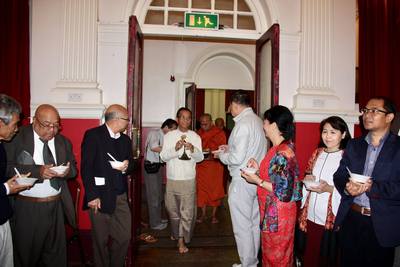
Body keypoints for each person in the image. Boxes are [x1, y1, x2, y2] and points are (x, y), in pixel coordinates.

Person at [4, 104, 78, 267]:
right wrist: (38, 171)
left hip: (56, 205)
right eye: (47, 125)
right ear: (34, 121)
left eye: (56, 125)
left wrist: (66, 171)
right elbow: (6, 167)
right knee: (26, 256)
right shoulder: (17, 136)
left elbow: (73, 169)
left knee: (56, 257)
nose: (52, 130)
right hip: (27, 208)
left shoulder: (63, 141)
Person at [333, 97, 400, 267]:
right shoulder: (355, 145)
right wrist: (347, 187)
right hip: (351, 218)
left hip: (382, 224)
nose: (367, 115)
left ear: (390, 117)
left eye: (375, 111)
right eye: (365, 110)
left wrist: (373, 187)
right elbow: (339, 175)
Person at [241, 105, 302, 267]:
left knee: (277, 256)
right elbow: (275, 178)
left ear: (274, 125)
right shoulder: (276, 148)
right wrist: (257, 169)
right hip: (271, 210)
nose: (263, 126)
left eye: (265, 123)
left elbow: (283, 191)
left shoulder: (283, 153)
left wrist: (257, 180)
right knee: (270, 254)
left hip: (279, 213)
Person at [213, 90, 267, 267]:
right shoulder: (258, 121)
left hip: (242, 180)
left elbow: (236, 158)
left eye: (230, 106)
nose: (229, 110)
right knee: (252, 223)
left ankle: (248, 264)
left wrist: (221, 155)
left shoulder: (243, 124)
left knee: (242, 226)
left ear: (235, 104)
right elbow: (248, 149)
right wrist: (229, 147)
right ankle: (252, 261)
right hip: (256, 179)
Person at [81, 104, 136, 267]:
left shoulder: (126, 140)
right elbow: (86, 168)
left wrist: (127, 166)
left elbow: (132, 163)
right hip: (100, 196)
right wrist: (92, 195)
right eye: (127, 119)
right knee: (101, 241)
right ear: (117, 119)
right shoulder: (93, 135)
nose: (128, 123)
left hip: (120, 196)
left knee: (124, 237)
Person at [297, 116, 351, 267]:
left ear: (344, 134)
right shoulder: (317, 153)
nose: (327, 136)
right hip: (310, 214)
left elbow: (349, 190)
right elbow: (308, 173)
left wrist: (328, 188)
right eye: (325, 132)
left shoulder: (347, 157)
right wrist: (308, 177)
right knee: (310, 255)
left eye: (333, 132)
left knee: (327, 258)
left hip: (329, 218)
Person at [160, 107, 203, 254]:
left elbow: (201, 158)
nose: (186, 120)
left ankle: (181, 239)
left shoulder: (195, 137)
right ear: (178, 119)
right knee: (172, 210)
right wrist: (175, 149)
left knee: (187, 212)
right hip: (172, 179)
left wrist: (193, 150)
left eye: (189, 118)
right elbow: (163, 157)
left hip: (188, 179)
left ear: (191, 120)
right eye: (183, 117)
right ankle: (176, 232)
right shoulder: (169, 136)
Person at [0, 94, 30, 267]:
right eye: (14, 124)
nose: (17, 129)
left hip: (3, 218)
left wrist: (13, 181)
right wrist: (5, 188)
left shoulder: (1, 146)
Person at [144, 118, 177, 230]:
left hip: (157, 167)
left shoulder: (163, 136)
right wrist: (171, 150)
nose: (173, 132)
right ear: (166, 127)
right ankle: (154, 223)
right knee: (154, 196)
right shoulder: (154, 133)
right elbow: (154, 148)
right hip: (151, 168)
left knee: (158, 194)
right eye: (172, 129)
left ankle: (157, 218)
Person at [196, 113, 226, 224]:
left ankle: (214, 215)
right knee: (202, 191)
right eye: (202, 123)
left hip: (215, 166)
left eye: (206, 122)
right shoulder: (198, 133)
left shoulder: (219, 132)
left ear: (211, 122)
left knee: (215, 191)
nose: (203, 124)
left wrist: (211, 149)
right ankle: (202, 214)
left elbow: (223, 148)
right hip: (201, 166)